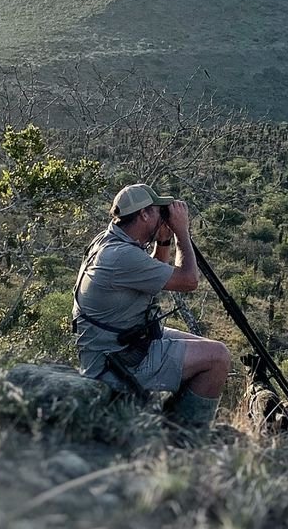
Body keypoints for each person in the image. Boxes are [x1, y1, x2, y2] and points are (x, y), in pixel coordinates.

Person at [72, 184, 231, 429]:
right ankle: (185, 438)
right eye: (159, 210)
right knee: (218, 358)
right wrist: (182, 233)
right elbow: (189, 281)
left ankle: (167, 419)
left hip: (120, 341)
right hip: (117, 360)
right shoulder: (120, 256)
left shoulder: (109, 240)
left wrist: (164, 241)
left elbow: (151, 284)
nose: (163, 215)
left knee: (203, 346)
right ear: (144, 214)